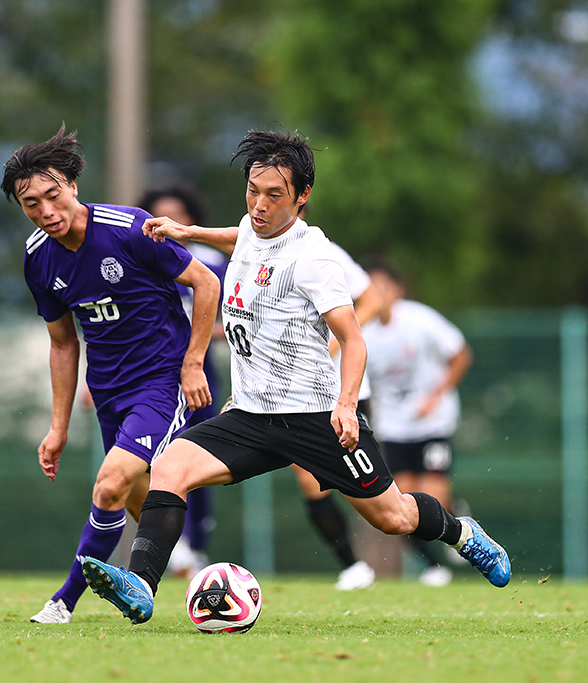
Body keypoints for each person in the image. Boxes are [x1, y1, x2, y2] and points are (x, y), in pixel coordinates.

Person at [79, 128, 511, 625]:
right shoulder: (252, 227)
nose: (259, 205)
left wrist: (347, 406)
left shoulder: (315, 259)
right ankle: (142, 586)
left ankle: (463, 533)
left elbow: (353, 340)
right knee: (170, 468)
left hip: (315, 418)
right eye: (252, 191)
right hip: (250, 414)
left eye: (274, 196)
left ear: (302, 197)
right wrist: (188, 233)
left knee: (393, 517)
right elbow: (242, 237)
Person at [0, 123, 220, 624]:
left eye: (53, 196)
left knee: (108, 486)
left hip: (161, 383)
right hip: (108, 393)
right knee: (141, 498)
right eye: (31, 204)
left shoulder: (128, 229)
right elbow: (61, 342)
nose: (47, 212)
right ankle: (208, 581)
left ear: (73, 186)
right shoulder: (38, 259)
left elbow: (205, 283)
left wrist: (191, 364)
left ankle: (64, 601)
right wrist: (58, 427)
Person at [363, 260, 473, 587]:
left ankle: (456, 517)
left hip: (432, 426)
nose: (377, 295)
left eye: (383, 287)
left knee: (433, 500)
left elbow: (460, 354)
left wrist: (436, 396)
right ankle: (434, 567)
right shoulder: (363, 333)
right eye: (371, 288)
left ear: (398, 290)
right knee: (400, 507)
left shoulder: (420, 319)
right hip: (394, 430)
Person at [138, 186, 228, 577]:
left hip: (201, 372)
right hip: (152, 372)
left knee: (202, 459)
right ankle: (175, 547)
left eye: (176, 213)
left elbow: (233, 316)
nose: (168, 222)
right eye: (159, 215)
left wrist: (206, 330)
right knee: (158, 459)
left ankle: (197, 544)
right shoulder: (141, 259)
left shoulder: (211, 262)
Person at [289, 241, 381, 591]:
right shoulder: (253, 254)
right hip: (295, 396)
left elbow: (372, 300)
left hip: (342, 390)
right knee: (309, 480)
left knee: (372, 492)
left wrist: (337, 341)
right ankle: (353, 565)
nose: (261, 208)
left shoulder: (324, 252)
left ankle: (442, 538)